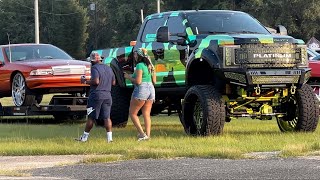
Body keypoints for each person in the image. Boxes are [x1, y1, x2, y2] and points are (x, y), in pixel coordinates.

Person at [76, 52, 116, 143]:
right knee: (107, 117)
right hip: (108, 95)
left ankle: (84, 138)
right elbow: (113, 83)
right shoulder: (109, 68)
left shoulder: (94, 68)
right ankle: (110, 139)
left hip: (96, 95)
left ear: (93, 61)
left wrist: (85, 81)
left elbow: (96, 81)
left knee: (91, 117)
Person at [124, 48, 156, 141]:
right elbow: (154, 81)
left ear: (138, 55)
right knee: (146, 114)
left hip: (142, 89)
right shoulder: (150, 66)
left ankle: (142, 134)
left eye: (135, 54)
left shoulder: (139, 65)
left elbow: (138, 81)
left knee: (133, 113)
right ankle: (148, 136)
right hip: (151, 90)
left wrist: (128, 77)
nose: (134, 56)